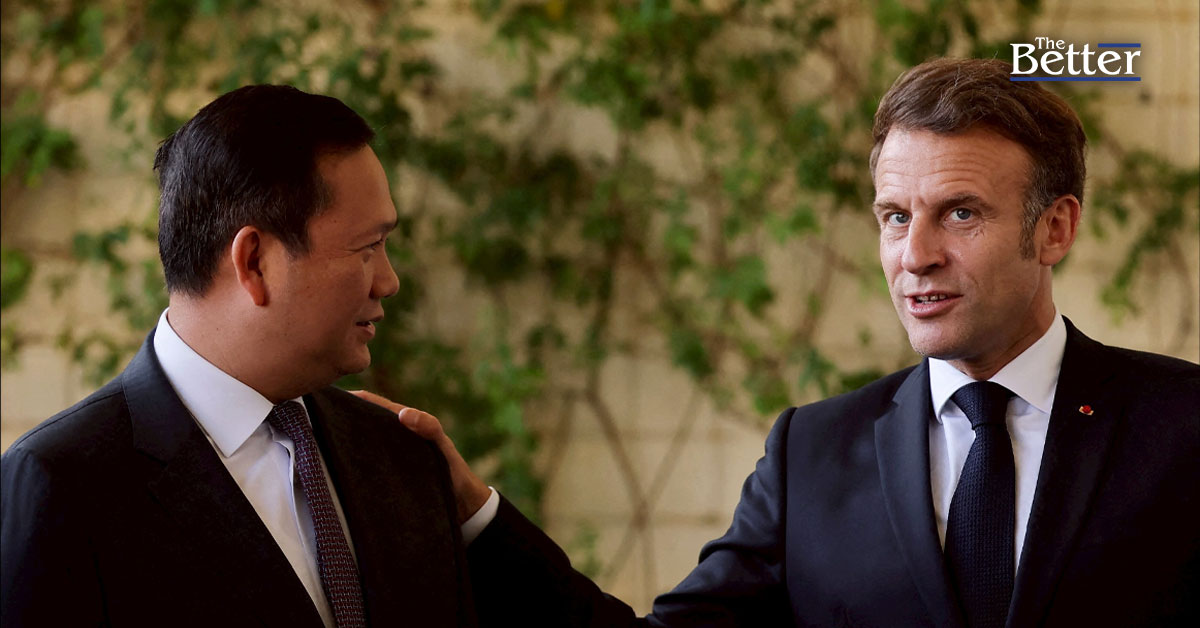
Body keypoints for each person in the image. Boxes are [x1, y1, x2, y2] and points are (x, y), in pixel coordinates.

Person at [364, 58, 1200, 626]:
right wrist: (477, 515)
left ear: (1055, 228)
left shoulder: (1182, 425)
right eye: (894, 217)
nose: (914, 256)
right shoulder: (813, 452)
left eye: (960, 213)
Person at [1, 85, 480, 627]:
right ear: (253, 261)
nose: (389, 281)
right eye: (368, 248)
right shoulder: (65, 484)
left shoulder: (403, 454)